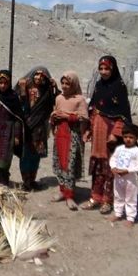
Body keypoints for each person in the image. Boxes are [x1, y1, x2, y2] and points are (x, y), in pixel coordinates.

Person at [82, 55, 132, 215]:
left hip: (111, 134)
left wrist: (116, 133)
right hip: (97, 131)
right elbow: (93, 108)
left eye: (107, 69)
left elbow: (123, 114)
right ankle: (94, 197)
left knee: (110, 169)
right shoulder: (98, 85)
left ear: (113, 69)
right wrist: (89, 129)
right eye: (101, 68)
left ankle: (107, 201)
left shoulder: (119, 87)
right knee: (97, 167)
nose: (103, 72)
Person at [50, 71, 88, 211]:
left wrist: (67, 116)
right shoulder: (59, 98)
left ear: (74, 84)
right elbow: (55, 113)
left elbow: (84, 117)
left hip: (73, 136)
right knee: (60, 163)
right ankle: (62, 190)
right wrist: (54, 116)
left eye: (68, 84)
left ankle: (69, 195)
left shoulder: (79, 99)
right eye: (63, 83)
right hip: (60, 134)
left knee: (70, 164)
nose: (65, 86)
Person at [17, 67, 59, 191]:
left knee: (36, 155)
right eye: (36, 75)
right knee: (25, 155)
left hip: (39, 129)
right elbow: (20, 105)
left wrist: (55, 87)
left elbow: (56, 100)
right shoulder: (24, 87)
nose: (38, 78)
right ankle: (26, 182)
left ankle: (32, 180)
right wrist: (23, 90)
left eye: (42, 76)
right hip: (26, 127)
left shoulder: (47, 90)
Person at [0, 70, 24, 186]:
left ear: (9, 83)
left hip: (8, 131)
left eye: (5, 83)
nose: (3, 85)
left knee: (5, 158)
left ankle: (4, 181)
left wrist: (17, 136)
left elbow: (17, 118)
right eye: (0, 83)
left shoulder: (13, 97)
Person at [109, 124, 138, 228]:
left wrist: (128, 171)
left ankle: (130, 218)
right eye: (125, 137)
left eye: (131, 137)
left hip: (130, 180)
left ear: (136, 138)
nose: (128, 139)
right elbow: (113, 159)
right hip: (118, 178)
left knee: (130, 198)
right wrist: (113, 167)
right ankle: (118, 213)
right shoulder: (119, 149)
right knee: (118, 195)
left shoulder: (137, 152)